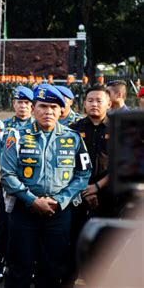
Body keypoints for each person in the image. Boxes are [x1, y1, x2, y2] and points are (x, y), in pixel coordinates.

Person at [1, 84, 91, 288]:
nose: (48, 111)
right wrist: (32, 200)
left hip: (58, 214)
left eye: (53, 107)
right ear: (33, 108)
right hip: (24, 212)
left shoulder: (74, 138)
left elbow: (83, 173)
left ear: (61, 111)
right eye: (42, 106)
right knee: (19, 270)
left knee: (51, 270)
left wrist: (60, 201)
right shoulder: (16, 136)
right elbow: (7, 174)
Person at [62, 85, 112, 286]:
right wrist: (85, 189)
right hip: (77, 196)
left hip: (108, 196)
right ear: (84, 103)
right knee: (72, 240)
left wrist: (97, 188)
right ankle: (68, 279)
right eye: (90, 100)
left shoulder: (119, 130)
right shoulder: (73, 129)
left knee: (103, 244)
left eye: (99, 100)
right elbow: (66, 163)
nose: (94, 104)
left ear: (109, 103)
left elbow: (121, 165)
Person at [0, 86, 34, 283]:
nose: (23, 106)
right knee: (4, 224)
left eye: (27, 103)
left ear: (32, 106)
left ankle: (28, 263)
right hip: (8, 185)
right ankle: (0, 261)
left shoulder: (37, 125)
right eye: (19, 102)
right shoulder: (3, 125)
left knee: (29, 226)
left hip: (31, 186)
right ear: (14, 104)